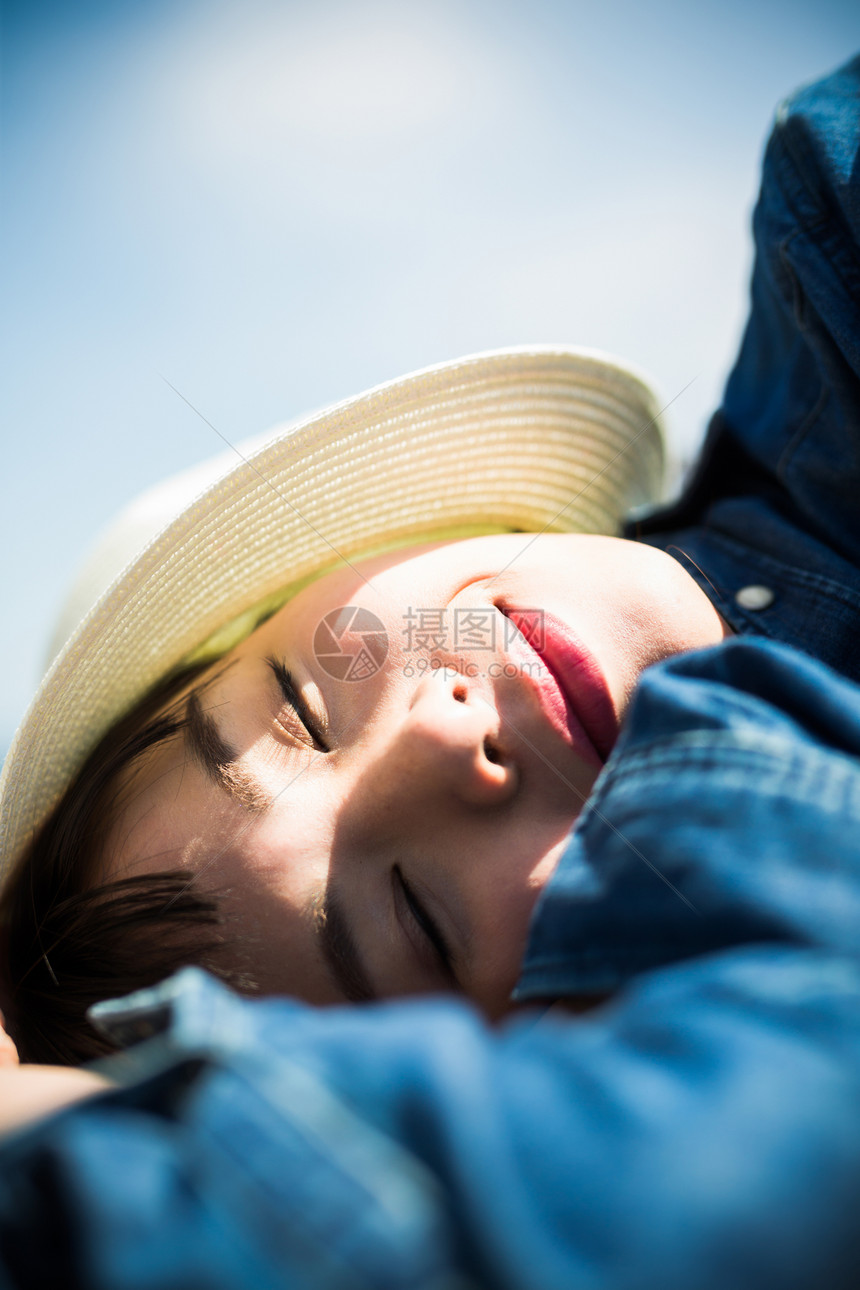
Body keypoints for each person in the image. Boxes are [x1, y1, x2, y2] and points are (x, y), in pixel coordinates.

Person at [0, 54, 859, 1289]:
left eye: (298, 704)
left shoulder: (831, 225)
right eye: (418, 914)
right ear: (559, 1077)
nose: (436, 739)